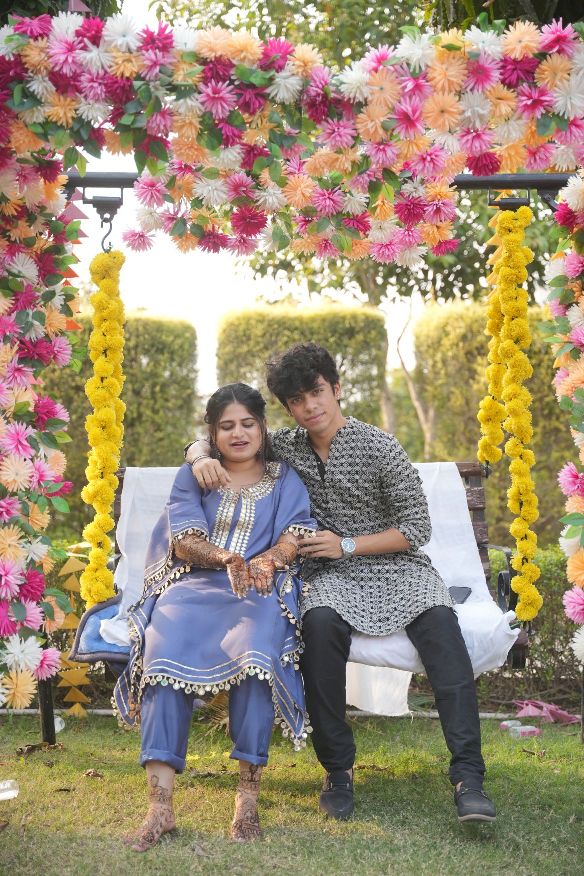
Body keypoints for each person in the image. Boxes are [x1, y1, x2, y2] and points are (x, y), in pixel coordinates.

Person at [186, 343, 496, 825]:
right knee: (318, 628)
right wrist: (197, 453)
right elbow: (228, 435)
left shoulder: (380, 446)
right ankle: (337, 770)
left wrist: (347, 544)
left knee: (442, 628)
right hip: (328, 576)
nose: (310, 406)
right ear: (287, 408)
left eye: (316, 392)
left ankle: (469, 777)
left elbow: (416, 528)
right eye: (296, 400)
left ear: (336, 388)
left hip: (399, 568)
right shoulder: (285, 447)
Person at [115, 383, 316, 850]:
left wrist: (270, 560)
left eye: (247, 424)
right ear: (212, 433)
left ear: (262, 428)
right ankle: (160, 806)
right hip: (193, 587)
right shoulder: (196, 475)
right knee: (162, 654)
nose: (238, 433)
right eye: (227, 426)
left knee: (256, 657)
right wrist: (226, 558)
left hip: (259, 589)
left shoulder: (284, 478)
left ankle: (247, 798)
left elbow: (295, 533)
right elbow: (185, 539)